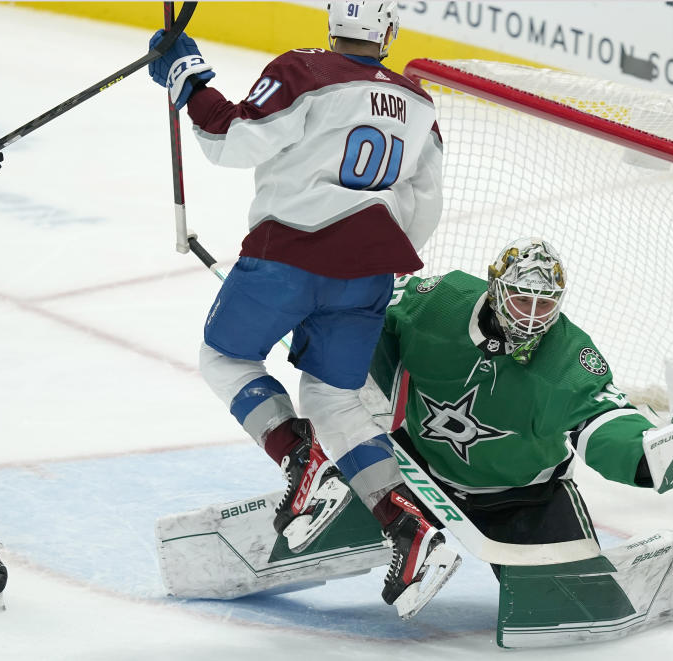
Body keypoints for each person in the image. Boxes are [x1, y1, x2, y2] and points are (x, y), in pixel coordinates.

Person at [146, 1, 453, 617]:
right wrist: (375, 258)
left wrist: (187, 77)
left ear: (333, 23)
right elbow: (424, 202)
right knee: (334, 398)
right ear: (389, 33)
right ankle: (409, 527)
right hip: (369, 271)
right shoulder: (420, 104)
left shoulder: (304, 71)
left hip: (287, 255)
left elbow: (231, 140)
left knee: (226, 358)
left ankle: (298, 456)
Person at [368, 237, 673, 577]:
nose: (533, 316)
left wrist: (667, 451)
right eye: (523, 300)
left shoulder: (569, 356)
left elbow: (606, 422)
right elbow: (368, 303)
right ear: (495, 288)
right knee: (324, 527)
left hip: (523, 498)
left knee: (572, 597)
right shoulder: (440, 301)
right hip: (413, 470)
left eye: (546, 303)